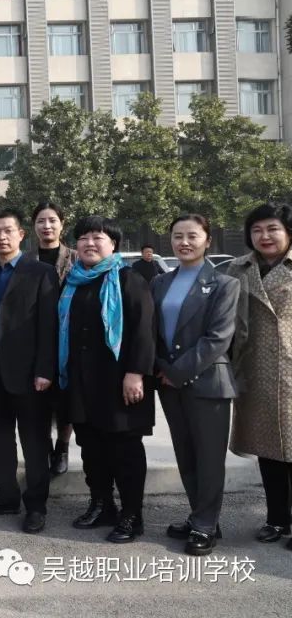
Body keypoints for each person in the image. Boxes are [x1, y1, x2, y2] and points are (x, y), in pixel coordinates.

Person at [60, 216, 156, 544]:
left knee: (125, 451)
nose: (89, 243)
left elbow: (144, 330)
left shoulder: (128, 280)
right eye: (83, 237)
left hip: (120, 383)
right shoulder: (74, 282)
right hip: (82, 383)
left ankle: (132, 515)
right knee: (91, 449)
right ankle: (102, 505)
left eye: (97, 237)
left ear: (113, 244)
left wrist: (136, 373)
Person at [153, 214, 240, 556]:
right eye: (177, 236)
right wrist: (161, 367)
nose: (184, 242)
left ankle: (206, 525)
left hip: (207, 383)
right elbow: (151, 333)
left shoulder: (223, 284)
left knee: (208, 458)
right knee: (186, 455)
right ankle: (199, 516)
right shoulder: (159, 282)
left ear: (208, 240)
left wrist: (175, 371)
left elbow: (218, 338)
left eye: (192, 235)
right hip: (169, 383)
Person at [0, 209, 58, 534]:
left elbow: (48, 326)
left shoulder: (40, 272)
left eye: (8, 230)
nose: (1, 237)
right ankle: (6, 495)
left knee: (34, 442)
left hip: (30, 374)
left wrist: (44, 370)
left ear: (21, 234)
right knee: (0, 439)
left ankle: (36, 505)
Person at [227, 202, 292, 549]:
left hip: (290, 369)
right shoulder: (238, 268)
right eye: (257, 230)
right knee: (270, 452)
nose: (264, 236)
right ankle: (277, 519)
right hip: (256, 371)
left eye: (272, 229)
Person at [28, 200, 77, 476]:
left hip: (68, 338)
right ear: (33, 226)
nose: (47, 226)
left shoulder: (76, 258)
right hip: (36, 339)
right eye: (41, 221)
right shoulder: (27, 260)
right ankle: (45, 446)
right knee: (39, 399)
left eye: (52, 221)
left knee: (65, 399)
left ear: (62, 224)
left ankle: (62, 446)